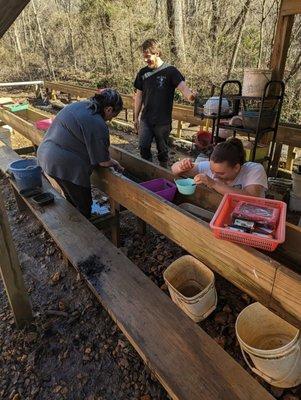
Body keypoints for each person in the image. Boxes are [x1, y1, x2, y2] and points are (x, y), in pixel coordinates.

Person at [37, 89, 123, 219]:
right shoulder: (98, 123)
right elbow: (103, 161)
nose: (110, 120)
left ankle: (74, 219)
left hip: (46, 156)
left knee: (71, 197)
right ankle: (85, 232)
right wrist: (114, 163)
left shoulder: (80, 105)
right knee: (84, 204)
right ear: (109, 109)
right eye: (113, 115)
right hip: (65, 164)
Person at [134, 38, 195, 169]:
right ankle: (148, 171)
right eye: (144, 57)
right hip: (146, 119)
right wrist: (135, 117)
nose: (145, 60)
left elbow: (183, 87)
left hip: (163, 121)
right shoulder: (143, 73)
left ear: (157, 53)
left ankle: (163, 171)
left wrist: (190, 96)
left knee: (163, 151)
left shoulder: (170, 71)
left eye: (148, 57)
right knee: (143, 147)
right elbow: (138, 96)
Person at [172, 138, 268, 197]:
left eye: (221, 173)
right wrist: (181, 166)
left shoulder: (254, 169)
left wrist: (214, 184)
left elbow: (252, 198)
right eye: (212, 170)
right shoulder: (211, 167)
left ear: (236, 168)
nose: (214, 174)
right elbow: (174, 169)